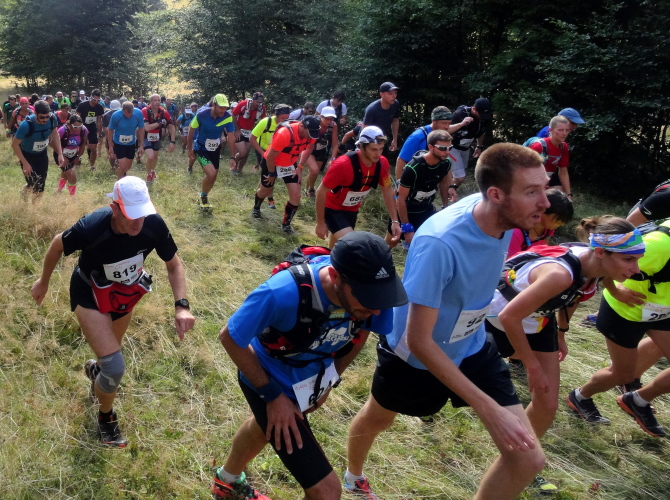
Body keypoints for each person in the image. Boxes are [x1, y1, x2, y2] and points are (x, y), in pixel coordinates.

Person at [344, 143, 551, 500]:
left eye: (544, 188)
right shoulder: (440, 243)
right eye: (532, 192)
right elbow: (419, 340)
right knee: (380, 417)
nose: (545, 202)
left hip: (472, 344)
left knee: (528, 459)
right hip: (416, 356)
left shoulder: (507, 219)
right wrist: (488, 409)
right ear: (496, 194)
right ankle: (353, 476)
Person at [212, 231, 407, 500]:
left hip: (307, 382)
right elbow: (230, 337)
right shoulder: (281, 293)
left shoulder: (374, 296)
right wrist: (273, 397)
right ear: (335, 276)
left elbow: (362, 331)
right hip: (265, 377)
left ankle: (226, 482)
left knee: (265, 427)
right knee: (326, 492)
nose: (376, 309)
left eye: (380, 298)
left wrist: (328, 380)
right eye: (367, 299)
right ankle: (228, 481)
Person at [31, 176, 195, 447]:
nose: (138, 222)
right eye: (131, 215)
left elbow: (174, 265)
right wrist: (43, 281)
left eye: (142, 213)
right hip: (88, 292)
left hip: (123, 295)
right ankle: (106, 417)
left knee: (108, 361)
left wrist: (181, 306)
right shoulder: (93, 226)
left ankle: (96, 372)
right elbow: (58, 244)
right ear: (114, 208)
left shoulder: (153, 224)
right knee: (115, 366)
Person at [486, 217, 643, 493]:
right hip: (495, 321)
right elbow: (509, 317)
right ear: (600, 252)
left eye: (637, 259)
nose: (636, 269)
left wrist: (561, 333)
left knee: (547, 405)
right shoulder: (559, 274)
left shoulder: (597, 266)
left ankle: (520, 463)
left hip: (538, 320)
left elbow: (576, 295)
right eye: (629, 260)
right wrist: (531, 365)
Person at [566, 219, 670, 438]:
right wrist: (615, 291)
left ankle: (637, 400)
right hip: (625, 311)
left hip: (662, 312)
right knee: (623, 374)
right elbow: (605, 265)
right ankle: (580, 396)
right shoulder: (659, 245)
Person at [314, 126, 400, 248]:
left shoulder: (382, 163)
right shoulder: (342, 164)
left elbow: (387, 190)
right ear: (362, 146)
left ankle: (331, 259)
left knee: (338, 248)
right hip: (332, 208)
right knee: (353, 244)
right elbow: (321, 191)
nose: (378, 154)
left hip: (352, 209)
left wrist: (395, 221)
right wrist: (320, 222)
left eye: (381, 149)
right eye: (373, 149)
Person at [256, 115, 319, 233]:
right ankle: (256, 209)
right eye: (309, 133)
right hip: (272, 162)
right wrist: (272, 174)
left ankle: (286, 225)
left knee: (296, 195)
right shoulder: (284, 134)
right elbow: (270, 157)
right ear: (301, 126)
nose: (311, 136)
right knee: (265, 190)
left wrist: (300, 167)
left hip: (290, 163)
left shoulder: (312, 133)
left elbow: (309, 148)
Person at [393, 130, 455, 249]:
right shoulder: (412, 168)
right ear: (430, 147)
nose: (447, 152)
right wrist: (406, 227)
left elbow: (443, 184)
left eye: (449, 148)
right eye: (442, 148)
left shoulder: (445, 163)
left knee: (427, 243)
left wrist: (445, 207)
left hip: (426, 208)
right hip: (406, 210)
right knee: (391, 241)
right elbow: (400, 199)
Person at [395, 106, 473, 180]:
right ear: (434, 121)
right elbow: (401, 160)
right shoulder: (417, 137)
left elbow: (449, 129)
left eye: (449, 123)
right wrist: (399, 184)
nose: (447, 127)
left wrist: (462, 124)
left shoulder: (441, 132)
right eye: (444, 123)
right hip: (414, 177)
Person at [186, 94, 236, 209]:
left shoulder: (227, 117)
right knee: (211, 173)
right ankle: (203, 197)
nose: (223, 110)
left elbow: (231, 137)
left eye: (225, 107)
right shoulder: (201, 114)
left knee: (214, 175)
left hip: (215, 148)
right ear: (214, 104)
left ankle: (204, 195)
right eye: (220, 107)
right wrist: (190, 148)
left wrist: (232, 157)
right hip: (201, 148)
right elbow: (191, 130)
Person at [12, 100, 64, 197]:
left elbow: (55, 134)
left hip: (42, 154)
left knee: (40, 184)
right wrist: (25, 163)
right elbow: (15, 145)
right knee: (33, 183)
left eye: (47, 116)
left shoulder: (52, 119)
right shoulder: (26, 125)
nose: (45, 120)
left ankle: (34, 204)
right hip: (27, 156)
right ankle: (25, 193)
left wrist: (60, 154)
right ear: (35, 113)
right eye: (42, 117)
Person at [249, 103, 292, 214]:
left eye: (287, 118)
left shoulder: (289, 125)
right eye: (282, 118)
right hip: (263, 150)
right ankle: (269, 198)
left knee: (270, 175)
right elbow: (252, 138)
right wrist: (262, 153)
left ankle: (261, 194)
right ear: (275, 115)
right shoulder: (265, 122)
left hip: (277, 152)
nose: (285, 121)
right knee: (269, 175)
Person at [507, 189, 573, 257]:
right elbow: (509, 261)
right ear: (542, 210)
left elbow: (543, 251)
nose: (561, 224)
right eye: (558, 220)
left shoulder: (547, 229)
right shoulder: (516, 232)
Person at [449, 98, 493, 187]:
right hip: (452, 147)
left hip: (466, 148)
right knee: (460, 177)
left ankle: (449, 189)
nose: (482, 117)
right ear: (474, 109)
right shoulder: (460, 114)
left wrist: (479, 146)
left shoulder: (484, 118)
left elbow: (481, 132)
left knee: (460, 173)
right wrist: (461, 124)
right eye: (480, 114)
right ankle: (448, 190)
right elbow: (445, 130)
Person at [528, 115, 573, 199]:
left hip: (548, 178)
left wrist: (568, 195)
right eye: (560, 130)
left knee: (559, 198)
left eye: (567, 130)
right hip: (532, 180)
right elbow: (525, 170)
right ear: (551, 130)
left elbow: (563, 172)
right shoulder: (538, 146)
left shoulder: (564, 147)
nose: (564, 133)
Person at [303, 106, 340, 198]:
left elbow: (335, 143)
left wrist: (332, 159)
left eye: (331, 118)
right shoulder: (314, 122)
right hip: (309, 148)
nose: (329, 121)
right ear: (321, 116)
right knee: (314, 170)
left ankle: (306, 189)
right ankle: (312, 189)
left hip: (322, 149)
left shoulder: (333, 125)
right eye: (327, 118)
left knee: (314, 172)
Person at [107, 101, 145, 178]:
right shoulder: (116, 115)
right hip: (119, 143)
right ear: (122, 110)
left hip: (131, 143)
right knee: (122, 165)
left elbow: (141, 129)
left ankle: (123, 175)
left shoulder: (138, 113)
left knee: (128, 166)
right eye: (127, 113)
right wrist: (110, 146)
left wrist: (141, 145)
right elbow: (110, 131)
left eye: (131, 114)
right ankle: (119, 182)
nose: (129, 116)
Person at [231, 92, 267, 174]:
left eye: (260, 102)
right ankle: (233, 165)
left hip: (250, 131)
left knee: (246, 154)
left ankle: (239, 170)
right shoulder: (243, 104)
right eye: (257, 101)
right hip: (239, 130)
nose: (258, 104)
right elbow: (233, 115)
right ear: (253, 99)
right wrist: (237, 130)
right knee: (242, 152)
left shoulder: (262, 108)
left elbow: (264, 120)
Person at [362, 82, 401, 154]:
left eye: (395, 93)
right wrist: (366, 147)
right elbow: (365, 129)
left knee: (383, 159)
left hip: (382, 139)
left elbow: (395, 120)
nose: (394, 96)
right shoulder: (372, 109)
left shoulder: (395, 104)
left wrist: (395, 140)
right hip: (369, 140)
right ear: (382, 94)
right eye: (390, 93)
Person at [142, 94, 172, 184]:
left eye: (159, 100)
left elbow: (171, 125)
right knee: (150, 156)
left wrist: (172, 141)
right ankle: (148, 175)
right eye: (155, 100)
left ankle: (152, 170)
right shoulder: (145, 111)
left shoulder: (163, 112)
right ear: (151, 102)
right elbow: (147, 128)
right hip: (146, 136)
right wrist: (160, 122)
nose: (157, 102)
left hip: (157, 136)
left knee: (155, 156)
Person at [55, 114, 87, 196]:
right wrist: (62, 156)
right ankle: (72, 198)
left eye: (80, 126)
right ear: (69, 124)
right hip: (60, 155)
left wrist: (78, 156)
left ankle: (58, 191)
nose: (78, 129)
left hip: (73, 155)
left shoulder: (84, 130)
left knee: (66, 174)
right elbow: (55, 144)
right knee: (72, 175)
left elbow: (83, 145)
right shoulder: (62, 130)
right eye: (75, 127)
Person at [76, 89, 105, 171]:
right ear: (90, 97)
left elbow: (99, 121)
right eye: (94, 100)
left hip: (92, 129)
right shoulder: (82, 105)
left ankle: (92, 166)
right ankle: (77, 162)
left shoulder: (99, 107)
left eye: (98, 100)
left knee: (94, 149)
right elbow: (76, 118)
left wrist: (100, 134)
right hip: (81, 128)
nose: (96, 102)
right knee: (80, 147)